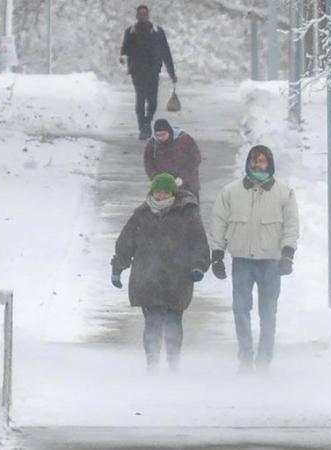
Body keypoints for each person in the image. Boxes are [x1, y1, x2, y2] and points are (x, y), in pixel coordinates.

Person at [209, 145, 299, 373]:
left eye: (262, 161)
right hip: (242, 261)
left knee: (268, 312)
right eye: (253, 160)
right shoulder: (230, 192)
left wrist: (288, 253)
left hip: (270, 262)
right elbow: (219, 222)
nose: (257, 165)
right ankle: (246, 357)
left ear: (269, 164)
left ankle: (264, 360)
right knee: (240, 309)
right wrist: (217, 254)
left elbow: (291, 225)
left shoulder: (284, 193)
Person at [111, 173, 210, 372]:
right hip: (147, 278)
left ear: (173, 193)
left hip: (177, 278)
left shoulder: (187, 214)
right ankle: (152, 363)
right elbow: (125, 243)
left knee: (174, 321)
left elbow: (199, 243)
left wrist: (199, 266)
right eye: (157, 191)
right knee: (152, 322)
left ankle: (173, 362)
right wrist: (118, 267)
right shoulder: (141, 215)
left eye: (165, 192)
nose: (160, 195)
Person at [120, 4, 177, 140]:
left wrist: (172, 73)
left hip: (153, 72)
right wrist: (122, 58)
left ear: (148, 15)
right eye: (140, 14)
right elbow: (124, 49)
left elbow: (166, 52)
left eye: (145, 14)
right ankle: (143, 128)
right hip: (137, 72)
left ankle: (148, 120)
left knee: (152, 102)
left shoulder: (157, 32)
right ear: (137, 16)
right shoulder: (131, 32)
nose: (142, 16)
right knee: (140, 100)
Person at [144, 118, 201, 199]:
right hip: (164, 186)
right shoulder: (152, 144)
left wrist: (183, 177)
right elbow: (148, 163)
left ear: (169, 131)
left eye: (163, 134)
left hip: (187, 183)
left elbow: (195, 159)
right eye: (157, 135)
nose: (160, 138)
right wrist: (155, 177)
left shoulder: (185, 139)